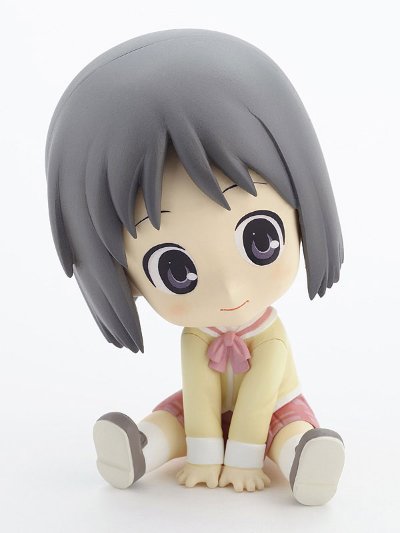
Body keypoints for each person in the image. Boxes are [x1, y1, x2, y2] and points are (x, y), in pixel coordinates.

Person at [46, 29, 345, 505]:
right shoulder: (196, 337)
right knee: (175, 417)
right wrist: (205, 459)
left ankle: (301, 459)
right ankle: (138, 448)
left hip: (274, 410)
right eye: (175, 269)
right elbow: (200, 395)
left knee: (289, 428)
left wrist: (242, 463)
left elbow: (258, 401)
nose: (230, 292)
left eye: (260, 239)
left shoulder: (268, 340)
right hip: (200, 410)